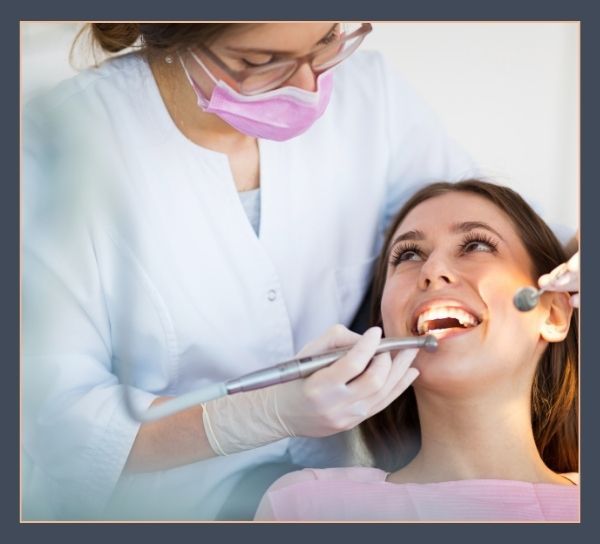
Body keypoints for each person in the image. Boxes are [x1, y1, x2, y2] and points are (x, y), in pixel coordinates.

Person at [23, 22, 479, 520]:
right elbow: (60, 422)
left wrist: (573, 251)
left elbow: (494, 229)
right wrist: (255, 417)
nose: (309, 89)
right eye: (260, 61)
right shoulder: (56, 151)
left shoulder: (373, 98)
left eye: (327, 42)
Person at [254, 180, 579, 521]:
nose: (431, 270)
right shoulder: (305, 508)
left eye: (476, 245)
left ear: (554, 313)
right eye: (408, 255)